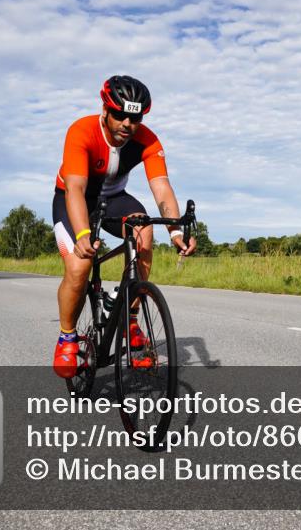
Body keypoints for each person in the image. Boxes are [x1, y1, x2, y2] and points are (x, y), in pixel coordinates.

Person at [51, 75, 196, 378]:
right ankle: (66, 337)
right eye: (120, 114)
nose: (128, 123)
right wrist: (82, 234)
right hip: (73, 198)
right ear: (105, 110)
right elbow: (76, 188)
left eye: (136, 117)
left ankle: (128, 316)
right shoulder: (82, 131)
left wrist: (177, 231)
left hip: (115, 198)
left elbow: (161, 187)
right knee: (80, 266)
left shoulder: (148, 139)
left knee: (144, 231)